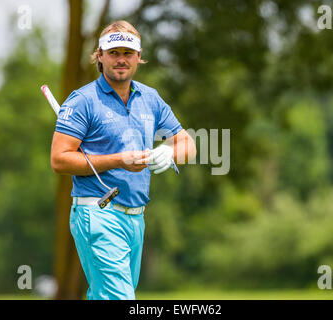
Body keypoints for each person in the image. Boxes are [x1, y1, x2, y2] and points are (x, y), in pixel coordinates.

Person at [50, 20, 196, 300]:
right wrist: (119, 160)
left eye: (128, 53)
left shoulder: (149, 98)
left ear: (139, 58)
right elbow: (60, 159)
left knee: (106, 296)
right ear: (100, 56)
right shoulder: (82, 100)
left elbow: (187, 144)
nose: (121, 60)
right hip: (98, 212)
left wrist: (169, 152)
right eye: (114, 53)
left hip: (136, 218)